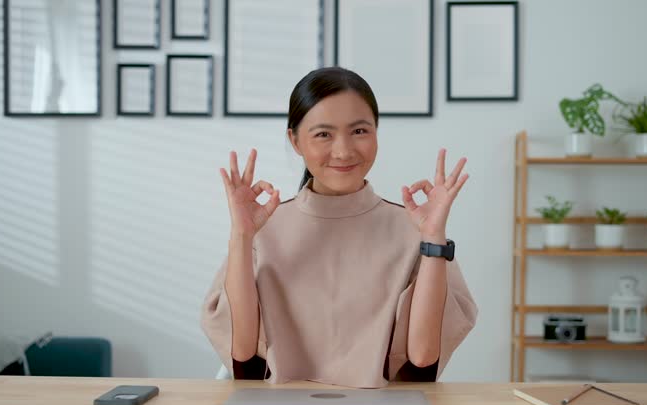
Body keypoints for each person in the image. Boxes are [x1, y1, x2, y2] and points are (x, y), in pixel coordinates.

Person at [201, 67, 477, 388]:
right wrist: (241, 234)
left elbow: (423, 356)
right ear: (295, 140)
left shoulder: (414, 229)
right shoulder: (263, 228)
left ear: (376, 131)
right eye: (323, 134)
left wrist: (432, 238)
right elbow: (243, 351)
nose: (344, 151)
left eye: (360, 131)